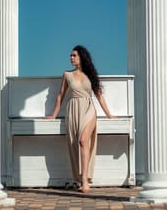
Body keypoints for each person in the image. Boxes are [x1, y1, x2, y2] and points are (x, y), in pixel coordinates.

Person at [44, 45, 116, 193]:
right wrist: (53, 114)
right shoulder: (67, 75)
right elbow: (60, 95)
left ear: (81, 57)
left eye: (74, 55)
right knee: (76, 144)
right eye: (70, 55)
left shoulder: (90, 75)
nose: (71, 58)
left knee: (83, 140)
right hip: (73, 109)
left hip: (89, 109)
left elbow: (99, 96)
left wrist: (109, 114)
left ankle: (85, 181)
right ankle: (81, 179)